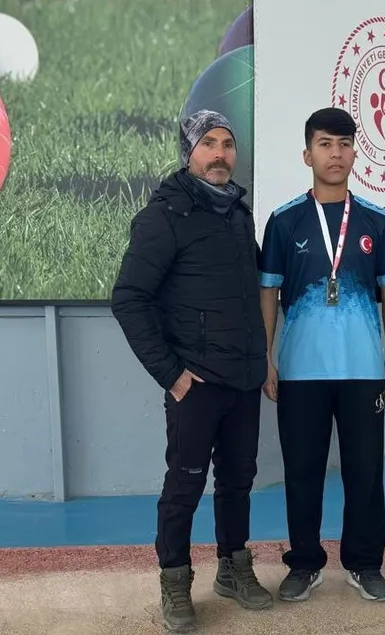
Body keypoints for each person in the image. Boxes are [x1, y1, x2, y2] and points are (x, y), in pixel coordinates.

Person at [111, 110, 272, 634]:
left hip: (243, 380)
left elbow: (254, 290)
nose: (220, 154)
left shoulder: (238, 214)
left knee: (238, 481)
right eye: (208, 144)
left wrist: (260, 360)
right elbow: (129, 298)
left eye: (227, 144)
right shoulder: (164, 216)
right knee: (184, 486)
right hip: (195, 384)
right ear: (189, 153)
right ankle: (175, 581)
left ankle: (233, 568)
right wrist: (172, 375)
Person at [258, 107, 385, 603]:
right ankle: (304, 563)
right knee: (302, 473)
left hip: (363, 369)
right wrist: (266, 358)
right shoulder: (284, 221)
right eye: (325, 144)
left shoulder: (376, 221)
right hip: (301, 370)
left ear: (355, 153)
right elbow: (268, 294)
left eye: (343, 144)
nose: (335, 154)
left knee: (366, 473)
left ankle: (364, 563)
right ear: (308, 155)